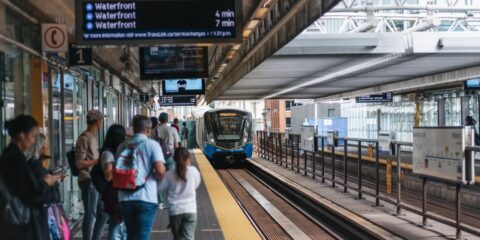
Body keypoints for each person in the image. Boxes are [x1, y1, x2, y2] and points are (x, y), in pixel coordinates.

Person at [0, 115, 63, 239]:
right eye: (33, 136)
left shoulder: (8, 155)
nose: (34, 141)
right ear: (21, 135)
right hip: (23, 224)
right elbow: (33, 194)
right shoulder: (16, 159)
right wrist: (47, 181)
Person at [116, 115, 166, 240]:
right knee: (142, 236)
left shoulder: (122, 146)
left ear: (134, 128)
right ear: (149, 130)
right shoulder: (152, 145)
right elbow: (160, 170)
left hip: (125, 197)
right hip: (146, 197)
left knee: (131, 236)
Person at [75, 110, 108, 240]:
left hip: (95, 181)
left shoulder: (93, 137)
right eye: (101, 120)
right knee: (90, 214)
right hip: (88, 181)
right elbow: (79, 163)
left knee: (103, 212)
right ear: (98, 121)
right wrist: (97, 161)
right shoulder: (84, 138)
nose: (102, 122)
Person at [158, 147, 201, 240]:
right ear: (188, 158)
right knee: (188, 237)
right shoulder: (193, 171)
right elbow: (196, 185)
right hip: (191, 210)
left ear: (174, 159)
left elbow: (160, 189)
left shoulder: (169, 174)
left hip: (175, 211)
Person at [100, 125, 127, 240]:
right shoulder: (108, 154)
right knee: (116, 226)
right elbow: (108, 176)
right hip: (113, 194)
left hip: (118, 193)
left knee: (122, 227)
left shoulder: (115, 153)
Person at [155, 113, 181, 209]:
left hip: (158, 157)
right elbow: (176, 146)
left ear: (159, 120)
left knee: (159, 179)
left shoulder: (155, 130)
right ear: (167, 119)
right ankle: (172, 202)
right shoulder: (173, 129)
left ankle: (160, 202)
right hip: (170, 156)